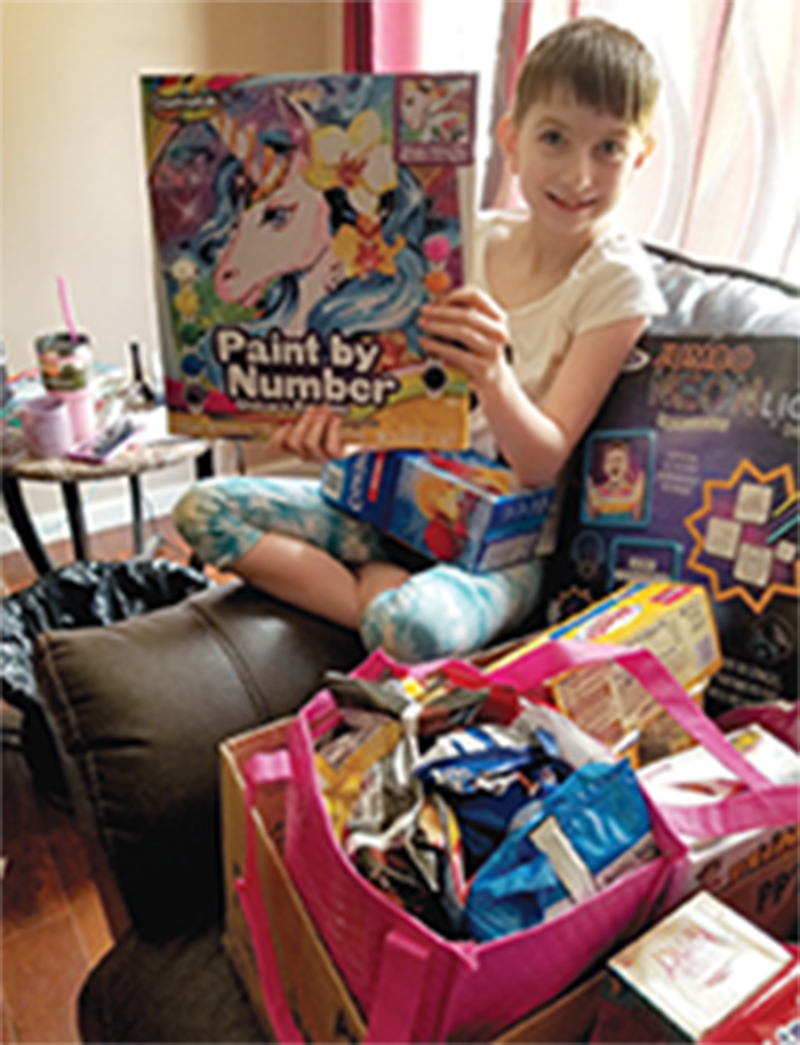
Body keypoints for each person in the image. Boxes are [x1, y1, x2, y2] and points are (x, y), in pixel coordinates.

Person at [173, 16, 666, 662]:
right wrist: (338, 431)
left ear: (640, 156)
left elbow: (542, 461)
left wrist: (494, 374)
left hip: (500, 545)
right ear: (512, 142)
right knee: (201, 509)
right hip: (389, 499)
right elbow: (401, 392)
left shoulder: (617, 285)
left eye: (608, 148)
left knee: (411, 628)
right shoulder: (467, 239)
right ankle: (369, 598)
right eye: (554, 138)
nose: (579, 174)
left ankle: (381, 600)